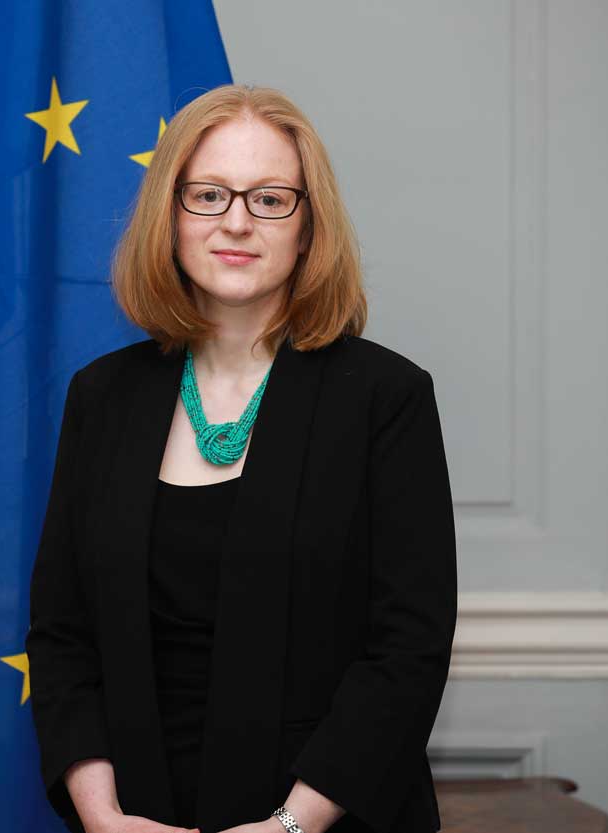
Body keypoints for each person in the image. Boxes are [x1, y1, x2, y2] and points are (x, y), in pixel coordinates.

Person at [25, 84, 457, 833]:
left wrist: (291, 825)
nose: (235, 222)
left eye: (269, 200)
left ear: (306, 225)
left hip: (325, 821)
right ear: (171, 214)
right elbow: (63, 636)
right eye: (209, 194)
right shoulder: (103, 397)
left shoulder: (385, 398)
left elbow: (407, 651)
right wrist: (103, 815)